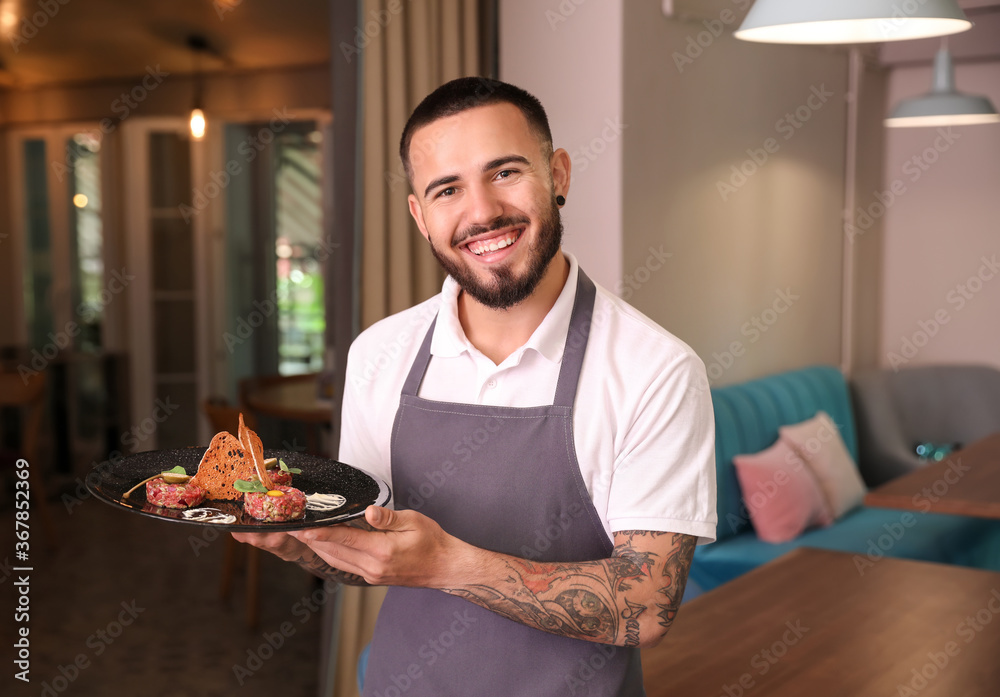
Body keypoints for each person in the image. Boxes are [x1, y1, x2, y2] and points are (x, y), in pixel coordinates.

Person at [235, 77, 717, 696]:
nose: (482, 211)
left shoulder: (655, 369)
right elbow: (370, 554)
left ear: (559, 175)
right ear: (420, 215)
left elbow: (646, 606)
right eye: (447, 190)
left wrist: (446, 564)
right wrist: (296, 540)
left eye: (506, 172)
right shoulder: (380, 354)